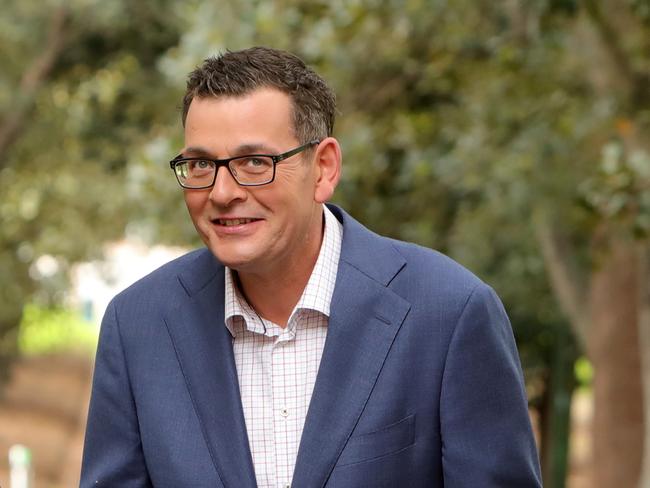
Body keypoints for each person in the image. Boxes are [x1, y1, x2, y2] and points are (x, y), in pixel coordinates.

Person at [81, 46, 542, 487]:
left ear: (323, 168)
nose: (222, 192)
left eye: (254, 162)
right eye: (201, 165)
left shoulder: (449, 314)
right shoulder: (138, 326)